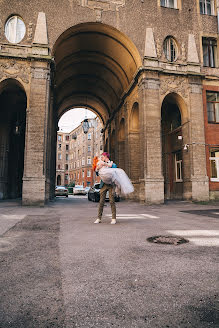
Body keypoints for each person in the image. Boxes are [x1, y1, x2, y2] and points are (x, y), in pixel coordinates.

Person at [93, 152, 134, 225]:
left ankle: (113, 218)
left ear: (106, 156)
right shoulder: (101, 163)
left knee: (112, 201)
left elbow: (115, 173)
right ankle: (99, 218)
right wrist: (97, 168)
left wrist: (108, 165)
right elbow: (97, 173)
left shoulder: (113, 164)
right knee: (101, 201)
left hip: (111, 185)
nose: (102, 157)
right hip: (103, 184)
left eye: (103, 156)